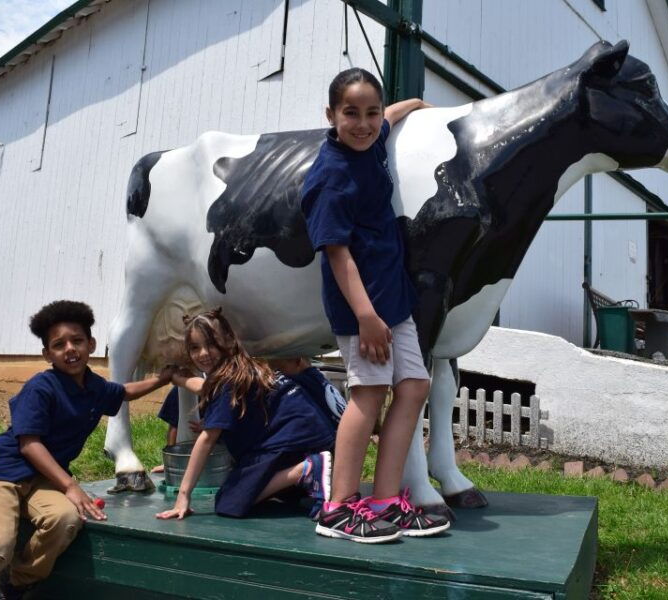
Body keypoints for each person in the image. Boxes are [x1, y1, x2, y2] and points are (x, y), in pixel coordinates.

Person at [0, 300, 174, 600]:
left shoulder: (94, 386)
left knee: (66, 520)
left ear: (92, 344)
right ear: (47, 354)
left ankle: (18, 582)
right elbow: (29, 444)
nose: (70, 349)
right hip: (3, 474)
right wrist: (71, 486)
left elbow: (124, 392)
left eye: (77, 340)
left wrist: (162, 379)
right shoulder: (41, 387)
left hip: (41, 480)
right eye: (59, 344)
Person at [301, 67, 450, 543]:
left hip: (393, 298)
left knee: (414, 385)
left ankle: (385, 501)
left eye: (368, 112)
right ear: (331, 115)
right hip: (362, 307)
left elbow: (386, 117)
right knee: (368, 393)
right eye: (351, 113)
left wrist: (416, 106)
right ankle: (339, 507)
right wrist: (365, 316)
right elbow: (336, 252)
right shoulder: (331, 176)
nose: (363, 123)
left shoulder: (369, 136)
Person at [155, 309, 336, 521]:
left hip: (293, 438)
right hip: (316, 436)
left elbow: (206, 440)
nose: (203, 353)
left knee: (228, 502)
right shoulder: (243, 367)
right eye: (195, 347)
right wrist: (180, 380)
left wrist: (183, 496)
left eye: (211, 344)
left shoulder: (225, 382)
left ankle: (307, 469)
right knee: (280, 492)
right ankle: (310, 476)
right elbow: (209, 391)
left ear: (228, 342)